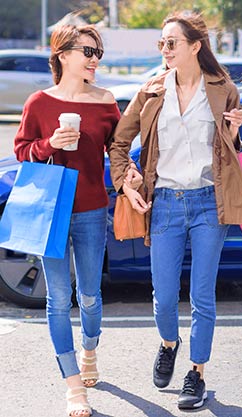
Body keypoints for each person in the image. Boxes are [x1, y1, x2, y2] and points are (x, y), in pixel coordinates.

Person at [108, 11, 242, 410]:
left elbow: (232, 153)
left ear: (195, 46)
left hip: (210, 201)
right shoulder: (151, 90)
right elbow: (119, 145)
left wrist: (235, 134)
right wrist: (127, 182)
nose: (165, 50)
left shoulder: (222, 89)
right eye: (161, 43)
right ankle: (169, 342)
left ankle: (197, 372)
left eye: (172, 43)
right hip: (166, 203)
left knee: (203, 295)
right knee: (164, 295)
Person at [13, 25, 120, 417]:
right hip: (51, 209)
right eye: (88, 51)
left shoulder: (106, 101)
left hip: (92, 210)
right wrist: (49, 145)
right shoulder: (38, 103)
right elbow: (23, 151)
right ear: (63, 54)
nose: (95, 60)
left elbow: (119, 151)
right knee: (58, 299)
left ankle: (90, 347)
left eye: (98, 53)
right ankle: (74, 387)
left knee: (89, 297)